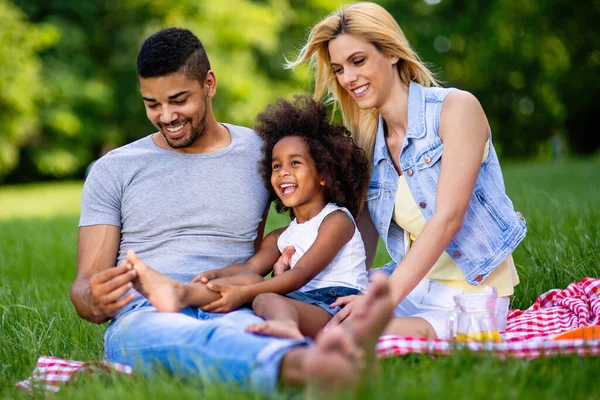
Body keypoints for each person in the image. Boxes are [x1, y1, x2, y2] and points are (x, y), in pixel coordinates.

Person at [69, 27, 394, 395]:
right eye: (153, 104)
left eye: (179, 100)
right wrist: (93, 298)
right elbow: (84, 285)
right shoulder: (115, 168)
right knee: (176, 336)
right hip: (144, 314)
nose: (167, 116)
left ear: (209, 83)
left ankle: (312, 366)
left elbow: (307, 220)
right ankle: (313, 367)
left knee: (242, 335)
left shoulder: (262, 154)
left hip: (232, 304)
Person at [289, 2, 527, 339]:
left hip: (473, 296)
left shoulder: (455, 109)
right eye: (340, 69)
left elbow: (448, 217)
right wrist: (326, 284)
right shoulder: (371, 141)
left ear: (391, 53)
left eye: (358, 61)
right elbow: (363, 234)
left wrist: (379, 304)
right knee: (301, 308)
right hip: (411, 286)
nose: (349, 78)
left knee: (347, 332)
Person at [125, 95, 370, 340]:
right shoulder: (281, 236)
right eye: (276, 166)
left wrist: (247, 292)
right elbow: (250, 268)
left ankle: (285, 327)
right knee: (249, 281)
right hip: (298, 303)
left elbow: (300, 274)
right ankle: (181, 293)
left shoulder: (337, 220)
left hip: (336, 307)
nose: (283, 172)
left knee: (259, 295)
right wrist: (217, 276)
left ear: (324, 174)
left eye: (295, 163)